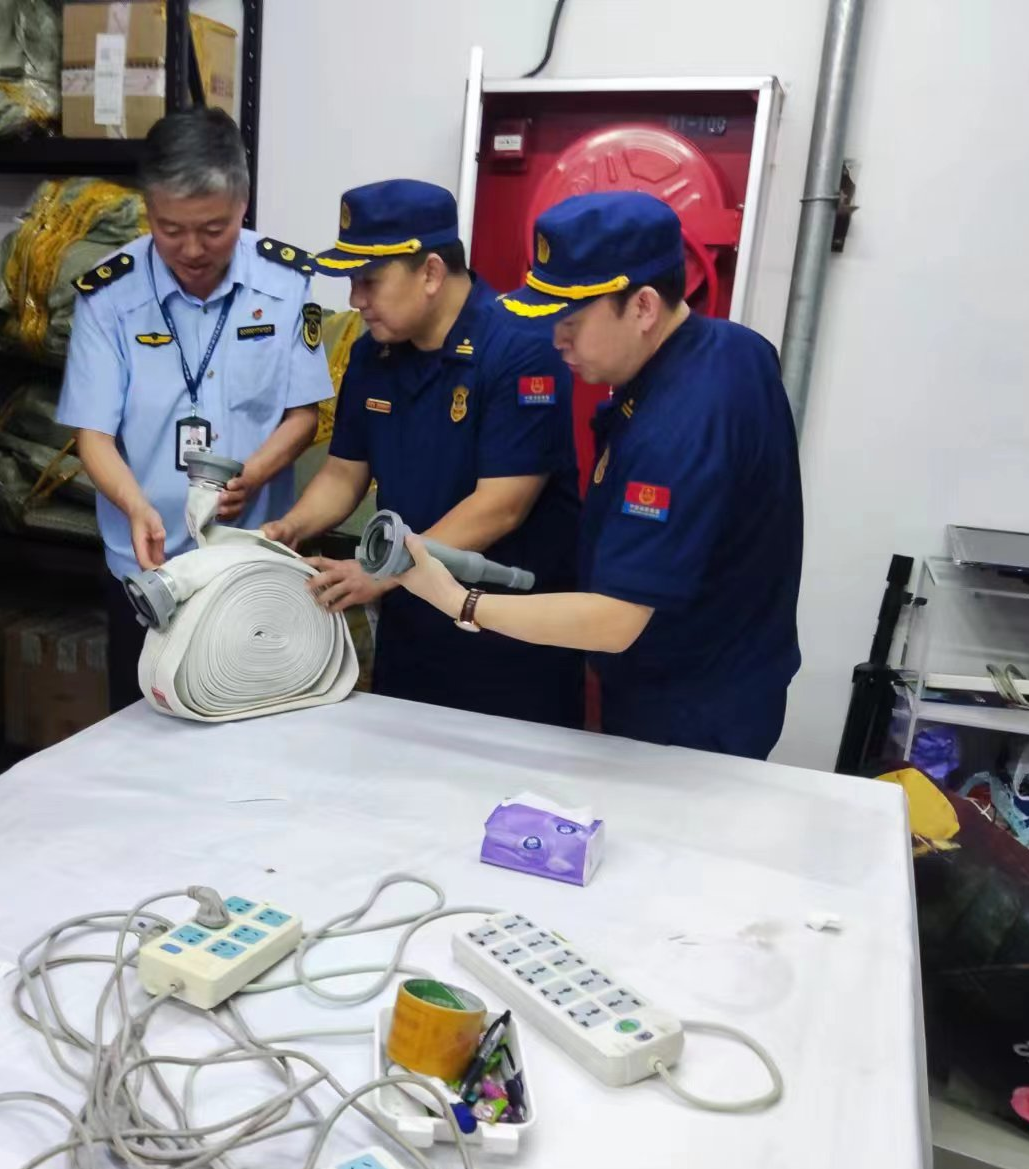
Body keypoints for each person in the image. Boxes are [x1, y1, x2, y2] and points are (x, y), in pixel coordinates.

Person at [396, 191, 803, 759]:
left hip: (690, 709)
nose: (555, 338)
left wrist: (461, 603)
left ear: (641, 308)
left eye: (572, 320)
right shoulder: (732, 346)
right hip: (727, 666)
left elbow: (615, 620)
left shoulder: (678, 426)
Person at [260, 180, 583, 727]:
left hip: (508, 637)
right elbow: (344, 472)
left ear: (431, 273)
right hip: (412, 629)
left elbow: (501, 505)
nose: (355, 300)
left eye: (369, 281)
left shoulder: (520, 352)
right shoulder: (373, 355)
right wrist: (288, 528)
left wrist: (378, 570)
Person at [57, 107, 335, 711]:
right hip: (147, 564)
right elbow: (94, 435)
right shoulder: (110, 296)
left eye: (213, 229)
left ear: (243, 203)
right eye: (169, 227)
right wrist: (134, 505)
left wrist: (254, 474)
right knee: (145, 736)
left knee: (256, 731)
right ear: (148, 209)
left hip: (252, 562)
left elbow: (303, 416)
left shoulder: (285, 285)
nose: (190, 249)